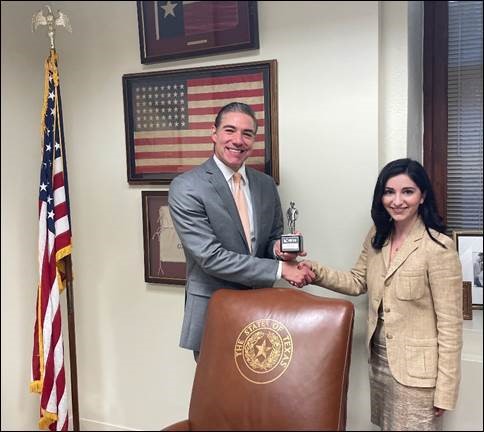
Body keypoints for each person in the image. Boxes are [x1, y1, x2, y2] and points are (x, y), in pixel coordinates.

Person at [299, 158, 463, 431]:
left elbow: (450, 326)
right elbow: (356, 281)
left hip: (419, 377)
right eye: (389, 192)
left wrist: (445, 390)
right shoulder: (377, 236)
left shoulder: (439, 248)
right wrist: (311, 270)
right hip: (380, 363)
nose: (397, 200)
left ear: (422, 196)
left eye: (407, 192)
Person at [168, 102, 314, 360]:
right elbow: (210, 257)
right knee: (218, 397)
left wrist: (280, 251)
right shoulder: (187, 187)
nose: (238, 140)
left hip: (262, 312)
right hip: (213, 312)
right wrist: (282, 270)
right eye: (230, 130)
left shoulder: (265, 184)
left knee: (260, 395)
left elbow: (269, 240)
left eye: (247, 133)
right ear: (214, 133)